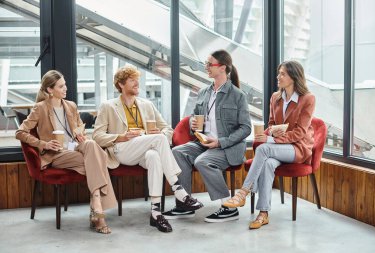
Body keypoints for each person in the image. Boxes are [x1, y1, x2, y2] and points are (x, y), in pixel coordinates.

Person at [92, 66, 203, 233]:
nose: (137, 83)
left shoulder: (147, 105)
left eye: (137, 79)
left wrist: (159, 134)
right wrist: (122, 136)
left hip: (145, 149)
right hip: (122, 150)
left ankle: (156, 213)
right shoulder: (108, 106)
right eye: (132, 80)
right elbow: (97, 136)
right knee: (157, 141)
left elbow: (167, 129)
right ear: (121, 84)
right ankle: (178, 189)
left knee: (154, 156)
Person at [16, 70, 117, 234]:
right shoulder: (40, 108)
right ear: (50, 89)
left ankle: (97, 205)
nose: (66, 88)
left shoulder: (71, 105)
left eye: (65, 85)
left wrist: (81, 136)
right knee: (98, 162)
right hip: (56, 154)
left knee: (90, 144)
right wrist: (44, 144)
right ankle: (97, 213)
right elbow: (20, 132)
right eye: (61, 86)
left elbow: (79, 130)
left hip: (75, 148)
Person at [223, 60, 315, 229]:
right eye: (278, 72)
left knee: (265, 148)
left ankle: (243, 192)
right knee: (267, 164)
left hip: (297, 148)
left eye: (283, 74)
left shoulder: (307, 99)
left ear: (294, 77)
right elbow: (271, 123)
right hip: (278, 149)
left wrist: (271, 139)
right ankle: (263, 214)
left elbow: (300, 132)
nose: (278, 76)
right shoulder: (275, 97)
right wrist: (271, 131)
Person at [163, 50, 251, 222]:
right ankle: (184, 204)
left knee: (202, 161)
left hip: (227, 147)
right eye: (206, 63)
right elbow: (194, 117)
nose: (206, 67)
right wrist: (192, 124)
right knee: (177, 152)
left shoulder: (237, 95)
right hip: (203, 143)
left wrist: (220, 142)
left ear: (223, 68)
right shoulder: (204, 92)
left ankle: (228, 207)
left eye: (210, 64)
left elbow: (246, 128)